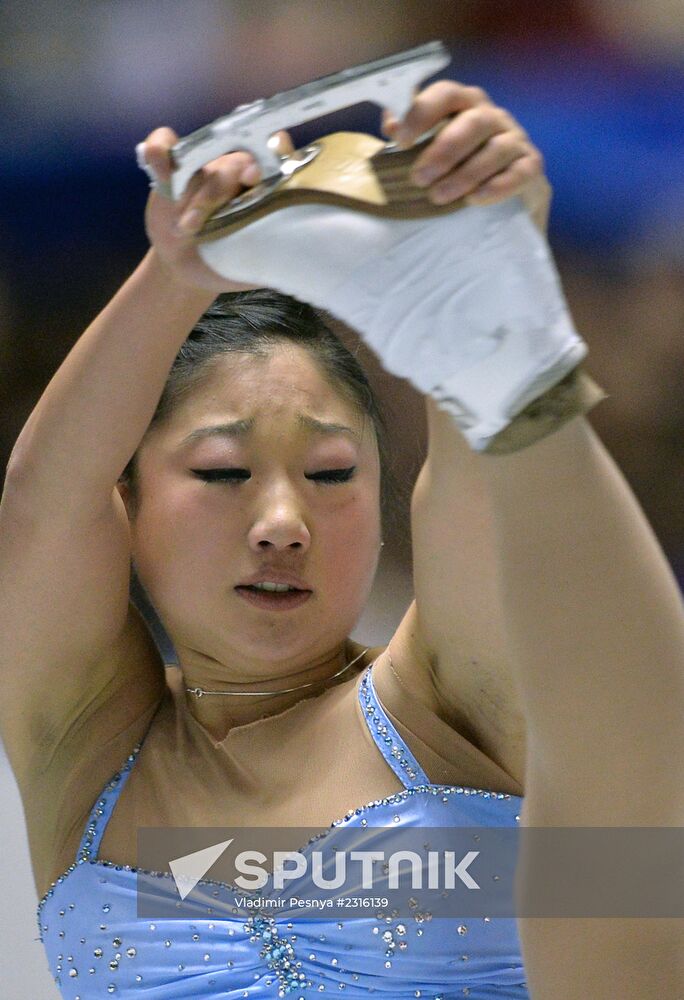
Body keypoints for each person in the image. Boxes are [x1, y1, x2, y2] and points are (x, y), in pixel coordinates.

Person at [0, 75, 682, 1000]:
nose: (283, 524)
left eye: (330, 476)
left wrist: (481, 269)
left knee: (628, 860)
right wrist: (175, 270)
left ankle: (502, 352)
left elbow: (487, 511)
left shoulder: (443, 700)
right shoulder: (81, 739)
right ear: (127, 504)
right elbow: (43, 504)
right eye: (222, 475)